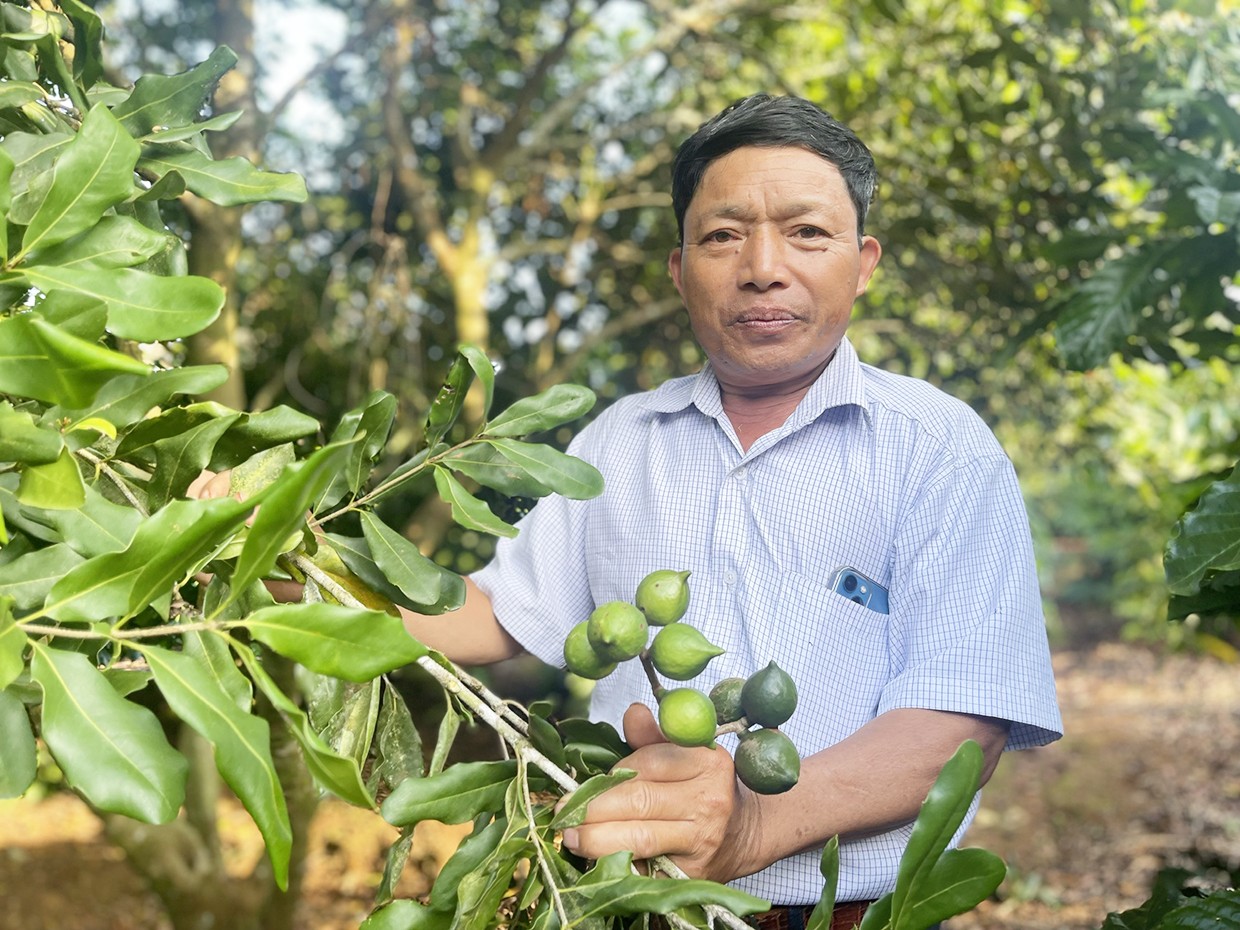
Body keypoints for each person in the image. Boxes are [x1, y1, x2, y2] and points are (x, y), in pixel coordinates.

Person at [196, 93, 1063, 929]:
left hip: (846, 917)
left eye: (806, 232)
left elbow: (962, 724)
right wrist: (285, 555)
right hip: (619, 907)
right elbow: (495, 615)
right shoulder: (620, 440)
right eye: (724, 236)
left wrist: (756, 828)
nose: (764, 266)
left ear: (863, 262)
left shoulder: (941, 450)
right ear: (682, 272)